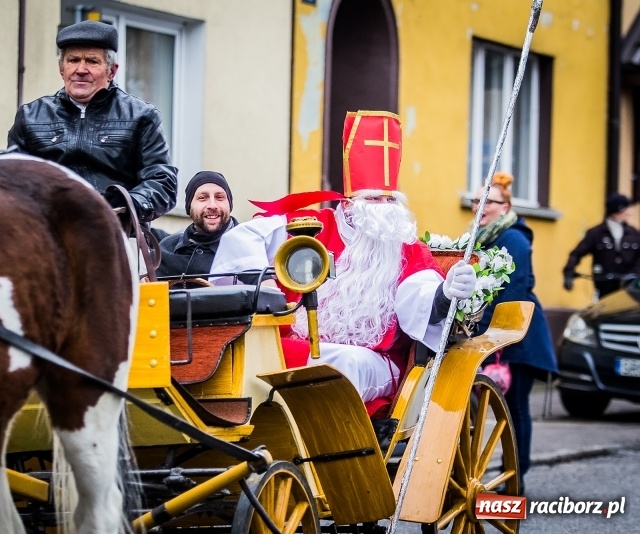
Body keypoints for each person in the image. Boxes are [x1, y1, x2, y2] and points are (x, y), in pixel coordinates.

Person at [210, 111, 476, 408]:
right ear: (349, 202)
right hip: (297, 342)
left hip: (374, 357)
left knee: (343, 364)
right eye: (375, 199)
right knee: (248, 351)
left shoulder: (404, 246)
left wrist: (444, 293)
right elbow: (241, 239)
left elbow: (419, 291)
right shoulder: (311, 225)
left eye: (391, 200)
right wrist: (265, 287)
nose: (385, 209)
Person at [7, 20, 177, 223]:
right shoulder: (30, 116)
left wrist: (126, 205)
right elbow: (10, 177)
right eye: (73, 60)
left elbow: (162, 182)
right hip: (46, 230)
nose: (81, 69)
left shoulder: (142, 116)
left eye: (92, 61)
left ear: (111, 71)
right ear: (61, 69)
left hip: (117, 231)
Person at [469, 171, 558, 494]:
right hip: (498, 333)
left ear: (505, 206)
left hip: (519, 336)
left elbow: (513, 292)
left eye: (487, 202)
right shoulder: (483, 237)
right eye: (475, 201)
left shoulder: (514, 239)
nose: (479, 206)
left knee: (517, 407)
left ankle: (516, 475)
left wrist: (488, 335)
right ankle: (510, 473)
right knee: (507, 409)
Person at [156, 171, 237, 279]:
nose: (212, 205)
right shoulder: (166, 250)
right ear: (189, 207)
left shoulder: (249, 245)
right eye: (203, 198)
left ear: (229, 205)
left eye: (219, 197)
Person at [562, 193, 640, 298]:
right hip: (605, 286)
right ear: (617, 210)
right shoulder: (596, 233)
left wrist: (634, 275)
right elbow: (576, 254)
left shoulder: (633, 233)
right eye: (626, 209)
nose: (629, 213)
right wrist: (569, 274)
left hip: (629, 287)